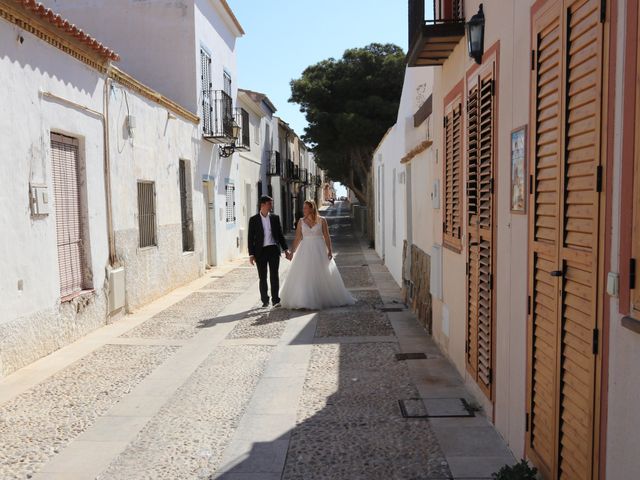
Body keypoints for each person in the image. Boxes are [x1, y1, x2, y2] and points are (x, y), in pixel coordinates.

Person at [280, 200, 355, 310]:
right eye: (303, 208)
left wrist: (329, 250)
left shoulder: (322, 220)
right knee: (305, 274)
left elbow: (326, 236)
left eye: (306, 208)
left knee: (321, 273)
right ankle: (303, 300)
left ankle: (321, 297)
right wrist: (292, 252)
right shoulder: (301, 221)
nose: (304, 210)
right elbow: (297, 238)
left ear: (311, 208)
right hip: (304, 250)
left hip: (319, 250)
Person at [248, 196, 291, 308]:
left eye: (271, 204)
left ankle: (275, 300)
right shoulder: (253, 220)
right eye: (269, 204)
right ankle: (265, 300)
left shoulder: (275, 218)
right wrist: (251, 254)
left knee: (274, 276)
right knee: (262, 277)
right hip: (260, 251)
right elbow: (250, 238)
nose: (271, 206)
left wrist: (286, 249)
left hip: (273, 249)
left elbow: (280, 235)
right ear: (262, 205)